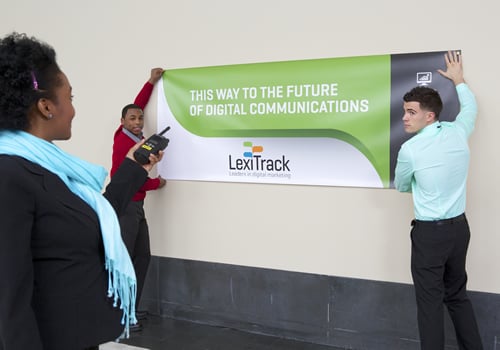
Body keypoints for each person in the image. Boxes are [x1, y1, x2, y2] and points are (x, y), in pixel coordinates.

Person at [0, 32, 163, 350]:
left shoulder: (54, 169)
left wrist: (133, 170)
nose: (74, 110)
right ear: (46, 106)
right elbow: (8, 301)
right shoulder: (9, 175)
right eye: (70, 98)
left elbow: (92, 221)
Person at [395, 51, 483, 350]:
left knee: (430, 305)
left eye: (411, 112)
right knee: (457, 296)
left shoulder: (410, 150)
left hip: (430, 235)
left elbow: (402, 185)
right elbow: (470, 108)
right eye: (404, 111)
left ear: (429, 115)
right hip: (460, 231)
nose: (404, 117)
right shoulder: (458, 133)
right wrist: (459, 80)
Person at [110, 68, 167, 330]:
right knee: (125, 259)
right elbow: (132, 177)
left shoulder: (140, 139)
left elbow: (138, 104)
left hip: (137, 206)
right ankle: (120, 315)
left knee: (142, 257)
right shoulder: (123, 141)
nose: (137, 121)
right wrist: (157, 183)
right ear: (122, 121)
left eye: (140, 119)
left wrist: (151, 83)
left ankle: (130, 308)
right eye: (131, 118)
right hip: (126, 206)